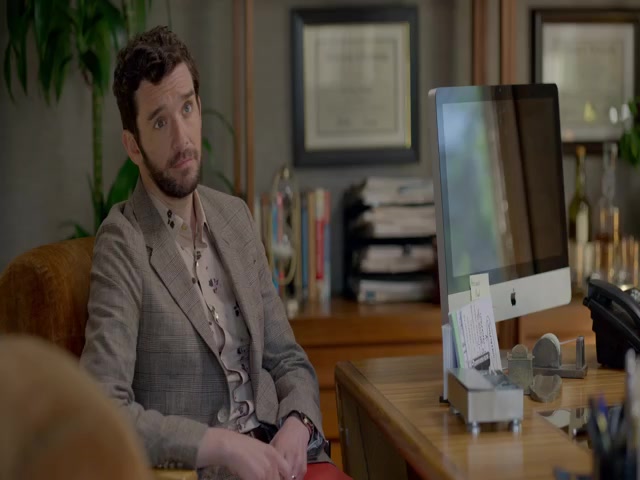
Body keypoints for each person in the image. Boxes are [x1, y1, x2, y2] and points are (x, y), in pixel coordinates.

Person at [80, 26, 348, 480]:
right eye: (160, 122)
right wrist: (218, 445)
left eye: (187, 108)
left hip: (284, 458)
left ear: (200, 108)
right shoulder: (121, 244)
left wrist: (298, 424)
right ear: (133, 145)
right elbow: (102, 409)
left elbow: (288, 359)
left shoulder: (235, 216)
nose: (182, 138)